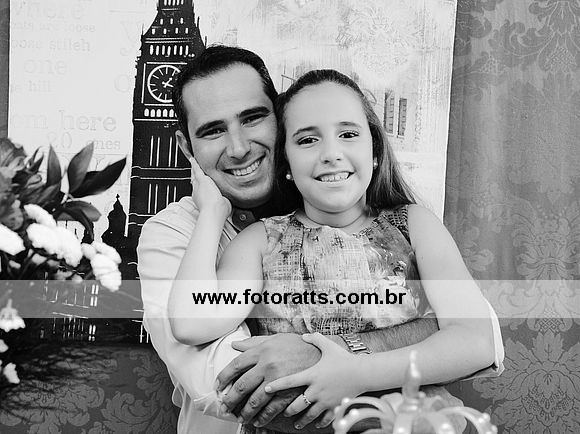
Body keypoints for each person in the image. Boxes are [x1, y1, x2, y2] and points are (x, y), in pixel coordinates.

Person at [139, 45, 463, 434]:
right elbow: (228, 383)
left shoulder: (399, 222)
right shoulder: (184, 234)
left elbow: (478, 337)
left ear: (281, 122)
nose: (239, 148)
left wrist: (332, 354)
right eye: (213, 131)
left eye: (253, 118)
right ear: (186, 147)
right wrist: (212, 213)